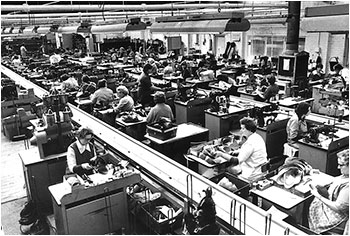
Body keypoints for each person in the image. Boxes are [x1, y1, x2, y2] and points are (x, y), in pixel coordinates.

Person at [308, 149, 349, 234]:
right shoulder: (346, 175)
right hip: (332, 203)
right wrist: (320, 174)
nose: (338, 167)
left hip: (336, 216)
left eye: (341, 165)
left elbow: (338, 208)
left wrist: (318, 196)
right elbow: (337, 180)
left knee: (306, 205)